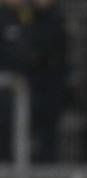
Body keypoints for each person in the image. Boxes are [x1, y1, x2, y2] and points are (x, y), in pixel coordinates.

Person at [29, 0, 68, 163]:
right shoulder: (30, 18)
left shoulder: (56, 20)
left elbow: (60, 52)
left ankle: (48, 160)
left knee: (49, 128)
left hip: (51, 82)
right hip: (34, 81)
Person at [0, 0, 32, 162]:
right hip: (4, 80)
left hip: (19, 81)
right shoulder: (3, 18)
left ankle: (20, 168)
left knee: (19, 128)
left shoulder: (24, 17)